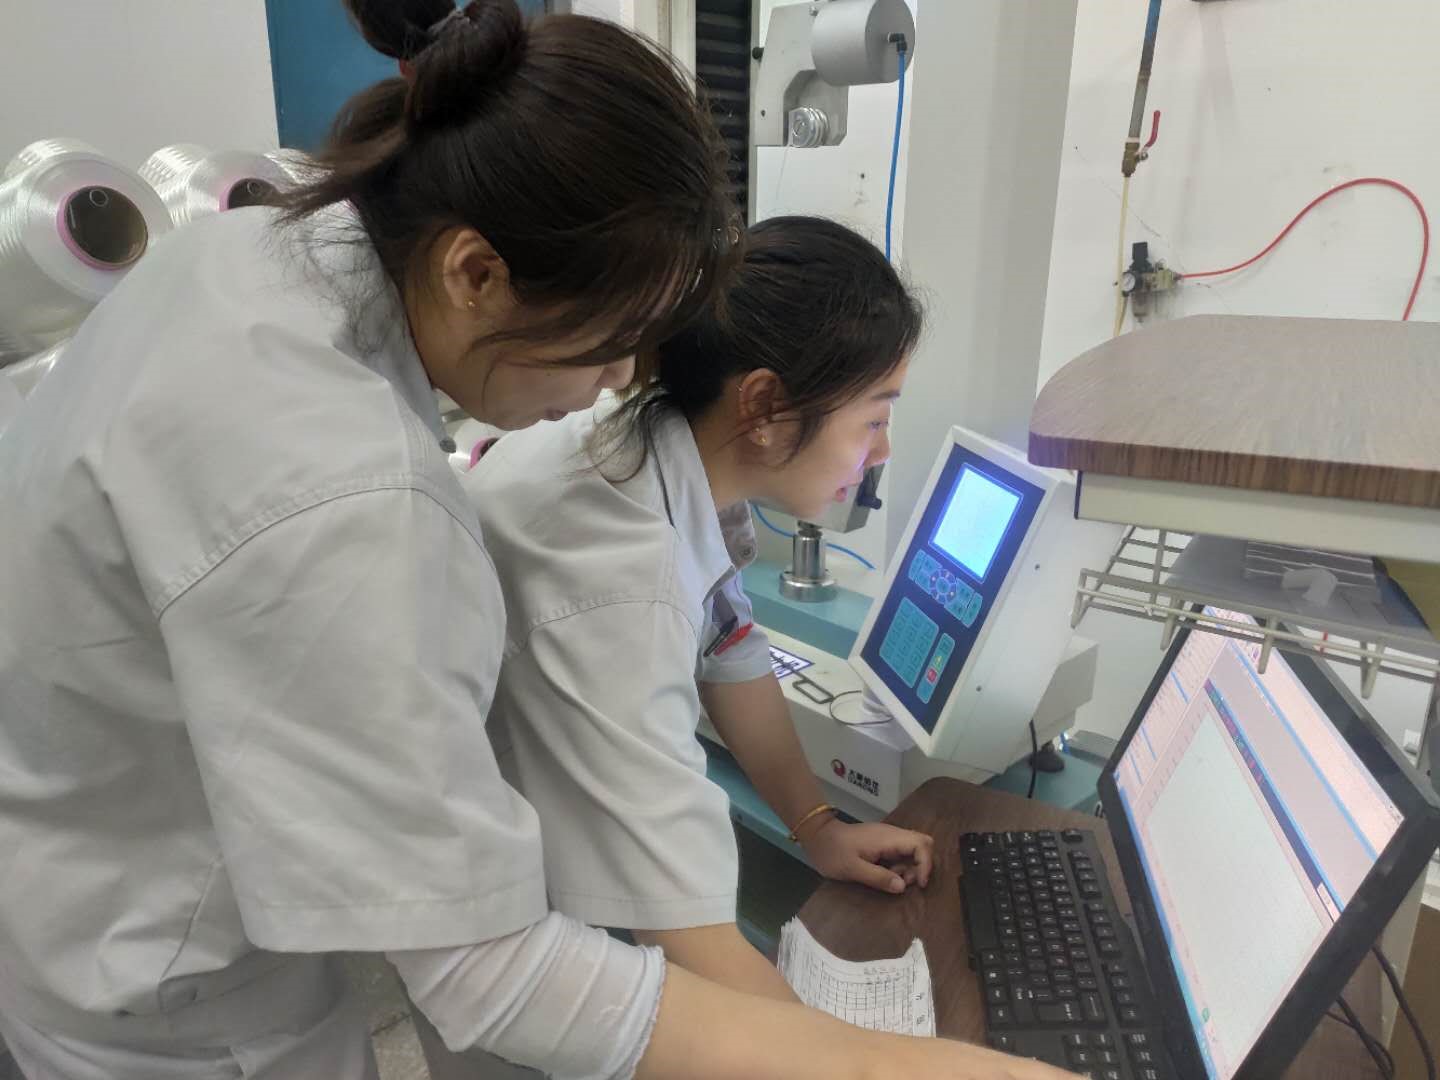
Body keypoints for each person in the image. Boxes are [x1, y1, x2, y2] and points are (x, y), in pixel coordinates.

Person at [0, 0, 1076, 1074]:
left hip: (93, 864)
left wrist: (814, 823)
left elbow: (726, 635)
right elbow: (488, 969)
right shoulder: (357, 498)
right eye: (611, 342)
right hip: (161, 990)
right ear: (475, 273)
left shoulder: (260, 248)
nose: (620, 380)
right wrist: (889, 1068)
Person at [463, 215, 936, 1005]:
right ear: (765, 406)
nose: (881, 452)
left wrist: (819, 827)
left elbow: (730, 643)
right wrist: (870, 1057)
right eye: (875, 419)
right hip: (496, 912)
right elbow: (688, 935)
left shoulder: (656, 442)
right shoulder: (624, 579)